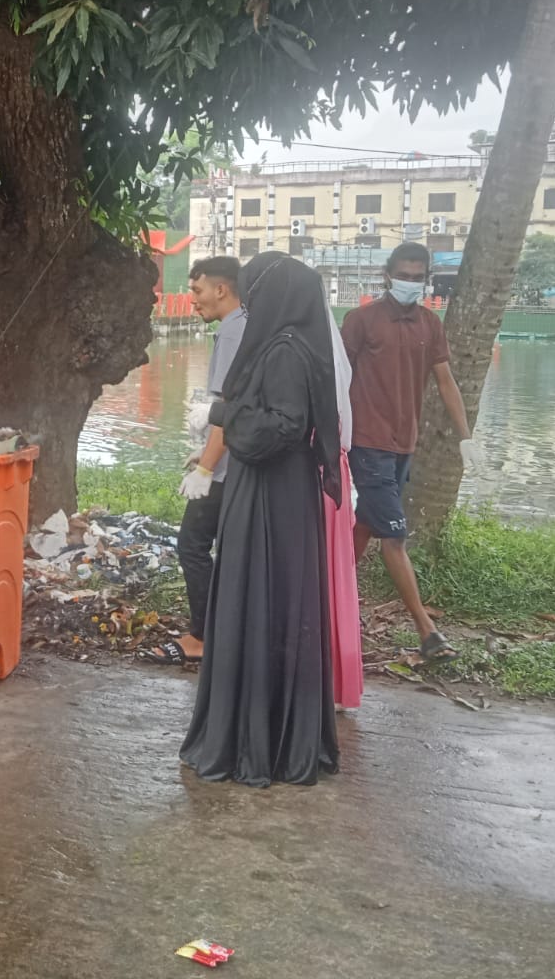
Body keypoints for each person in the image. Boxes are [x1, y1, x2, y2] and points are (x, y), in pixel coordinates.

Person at [181, 252, 341, 787]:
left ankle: (262, 741)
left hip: (275, 493)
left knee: (264, 601)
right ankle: (251, 729)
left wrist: (223, 415)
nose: (247, 301)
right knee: (253, 598)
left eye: (254, 292)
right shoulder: (274, 346)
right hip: (264, 489)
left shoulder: (286, 353)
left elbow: (285, 428)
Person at [341, 242, 474, 663]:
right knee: (394, 538)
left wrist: (466, 437)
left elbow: (446, 382)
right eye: (404, 275)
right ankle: (427, 630)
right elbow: (336, 381)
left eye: (419, 277)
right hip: (367, 442)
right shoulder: (361, 321)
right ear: (387, 275)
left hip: (404, 444)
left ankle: (327, 598)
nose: (411, 283)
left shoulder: (430, 325)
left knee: (364, 525)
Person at [143, 256, 246, 667]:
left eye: (198, 290)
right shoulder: (244, 325)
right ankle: (228, 629)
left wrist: (206, 467)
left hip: (226, 468)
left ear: (221, 289)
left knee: (193, 546)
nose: (193, 300)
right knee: (229, 550)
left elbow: (228, 407)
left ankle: (201, 636)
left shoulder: (233, 333)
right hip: (237, 462)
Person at [323, 299, 364, 711]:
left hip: (315, 480)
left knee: (318, 576)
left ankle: (322, 677)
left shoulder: (300, 356)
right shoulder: (331, 358)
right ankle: (338, 679)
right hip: (335, 473)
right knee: (336, 575)